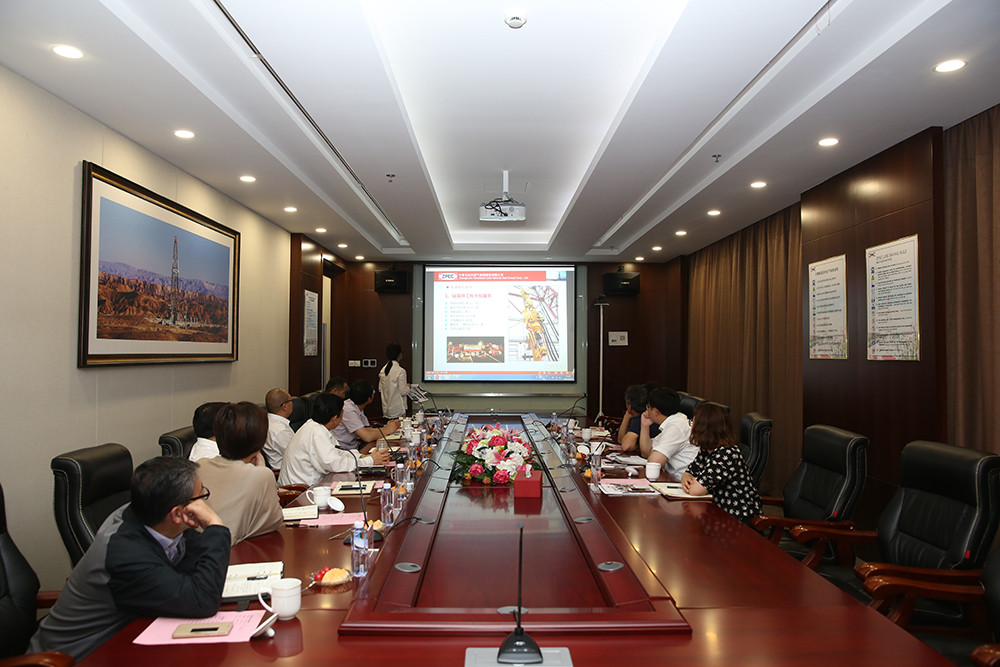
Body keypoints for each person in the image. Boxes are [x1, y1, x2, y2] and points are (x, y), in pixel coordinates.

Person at [29, 457, 229, 662]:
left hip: (126, 636)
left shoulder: (157, 516)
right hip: (73, 657)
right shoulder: (125, 554)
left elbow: (194, 564)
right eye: (201, 496)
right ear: (178, 513)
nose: (203, 505)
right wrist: (215, 525)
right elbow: (202, 601)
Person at [197, 402, 283, 545]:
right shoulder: (260, 475)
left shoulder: (199, 465)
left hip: (197, 551)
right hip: (231, 553)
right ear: (260, 439)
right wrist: (261, 468)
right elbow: (274, 521)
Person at [278, 393, 393, 487]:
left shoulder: (316, 427)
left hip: (316, 484)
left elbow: (338, 453)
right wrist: (370, 461)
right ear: (334, 418)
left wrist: (363, 457)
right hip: (301, 492)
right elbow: (335, 464)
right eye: (342, 414)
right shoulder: (317, 433)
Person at [681, 402, 762, 524]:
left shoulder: (726, 454)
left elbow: (696, 490)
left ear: (703, 429)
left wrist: (690, 483)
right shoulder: (707, 449)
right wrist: (686, 478)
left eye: (693, 423)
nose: (691, 427)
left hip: (737, 519)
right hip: (716, 512)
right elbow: (688, 473)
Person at [640, 388, 699, 478]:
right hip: (672, 478)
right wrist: (644, 426)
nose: (647, 411)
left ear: (656, 412)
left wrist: (653, 457)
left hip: (681, 481)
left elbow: (654, 463)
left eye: (648, 407)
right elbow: (646, 452)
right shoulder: (673, 421)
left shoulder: (676, 426)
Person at [332, 379, 400, 450]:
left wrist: (387, 427)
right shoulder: (348, 410)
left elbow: (367, 429)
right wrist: (388, 430)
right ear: (369, 398)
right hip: (344, 450)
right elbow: (367, 437)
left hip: (354, 446)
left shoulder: (356, 406)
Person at [616, 384, 660, 453]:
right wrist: (626, 417)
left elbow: (626, 446)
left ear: (629, 406)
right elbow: (620, 440)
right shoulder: (647, 416)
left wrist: (637, 446)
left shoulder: (642, 419)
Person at [263, 388, 294, 471]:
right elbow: (298, 455)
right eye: (291, 400)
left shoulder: (267, 422)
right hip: (286, 472)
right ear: (285, 406)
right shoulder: (280, 431)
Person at [378, 342, 410, 420]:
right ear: (399, 355)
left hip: (386, 410)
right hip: (398, 410)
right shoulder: (400, 371)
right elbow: (404, 392)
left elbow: (380, 389)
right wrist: (408, 387)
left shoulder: (383, 370)